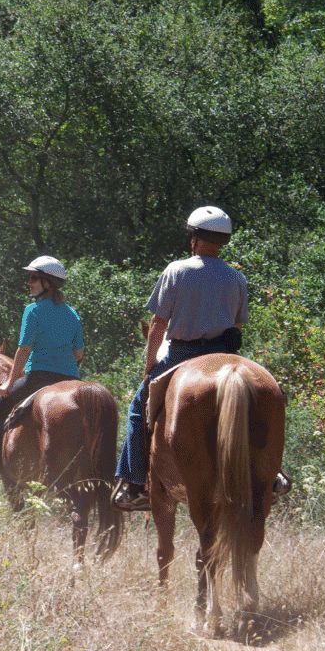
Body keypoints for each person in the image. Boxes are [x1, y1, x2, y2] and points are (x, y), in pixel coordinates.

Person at [113, 206, 249, 511]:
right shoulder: (237, 278)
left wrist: (149, 368)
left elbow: (158, 324)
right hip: (225, 357)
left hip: (181, 354)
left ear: (194, 238)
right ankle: (273, 473)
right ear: (223, 241)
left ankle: (136, 486)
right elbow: (237, 328)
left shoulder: (177, 270)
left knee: (137, 409)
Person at [0, 256, 84, 486]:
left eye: (33, 278)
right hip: (71, 378)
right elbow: (78, 354)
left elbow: (23, 350)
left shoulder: (33, 311)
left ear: (47, 282)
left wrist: (9, 384)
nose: (28, 283)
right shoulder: (72, 314)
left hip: (38, 378)